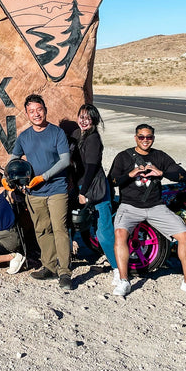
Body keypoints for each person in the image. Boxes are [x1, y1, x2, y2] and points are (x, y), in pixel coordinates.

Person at [108, 124, 186, 299]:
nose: (145, 140)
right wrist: (131, 174)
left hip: (156, 206)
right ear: (135, 138)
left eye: (149, 137)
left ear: (153, 138)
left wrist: (161, 172)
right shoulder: (123, 157)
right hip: (130, 206)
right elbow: (113, 180)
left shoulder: (159, 156)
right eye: (141, 137)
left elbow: (181, 174)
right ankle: (124, 280)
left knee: (184, 235)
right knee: (120, 233)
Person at [9, 94, 73, 290]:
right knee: (42, 229)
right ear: (27, 114)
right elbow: (14, 159)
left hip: (56, 189)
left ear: (45, 109)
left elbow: (65, 160)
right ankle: (49, 267)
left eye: (39, 109)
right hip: (34, 193)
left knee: (59, 229)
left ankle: (64, 272)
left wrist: (43, 177)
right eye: (31, 111)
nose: (36, 114)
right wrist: (10, 176)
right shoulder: (24, 136)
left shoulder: (57, 133)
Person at [71, 103, 118, 286]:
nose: (83, 121)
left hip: (96, 189)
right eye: (81, 116)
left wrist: (82, 192)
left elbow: (91, 168)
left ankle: (118, 269)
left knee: (104, 232)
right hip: (81, 186)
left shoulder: (93, 139)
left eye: (87, 118)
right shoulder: (76, 135)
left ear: (94, 121)